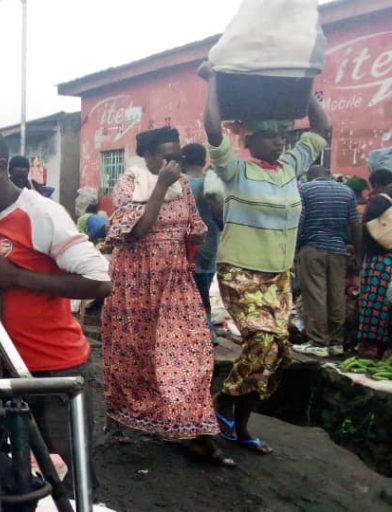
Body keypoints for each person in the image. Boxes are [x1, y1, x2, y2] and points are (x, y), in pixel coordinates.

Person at [0, 125, 112, 501]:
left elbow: (100, 282)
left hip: (55, 370)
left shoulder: (40, 213)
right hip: (7, 368)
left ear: (0, 165)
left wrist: (17, 277)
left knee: (70, 478)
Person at [201, 63, 330, 455]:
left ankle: (239, 423)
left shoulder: (290, 168)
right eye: (271, 137)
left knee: (279, 352)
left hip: (278, 276)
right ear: (252, 140)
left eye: (282, 136)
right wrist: (213, 82)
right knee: (263, 339)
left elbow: (321, 129)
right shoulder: (235, 169)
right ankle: (224, 401)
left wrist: (304, 88)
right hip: (240, 271)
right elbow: (211, 129)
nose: (280, 143)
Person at [101, 127, 233, 466]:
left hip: (175, 281)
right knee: (136, 355)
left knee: (192, 352)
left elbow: (193, 225)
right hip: (136, 284)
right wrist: (160, 186)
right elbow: (138, 229)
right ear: (147, 155)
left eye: (178, 157)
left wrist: (197, 235)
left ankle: (199, 434)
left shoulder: (184, 186)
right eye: (167, 156)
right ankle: (129, 416)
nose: (174, 163)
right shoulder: (131, 182)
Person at [293, 165, 360, 357]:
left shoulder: (305, 189)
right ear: (329, 175)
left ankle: (318, 341)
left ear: (310, 176)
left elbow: (300, 221)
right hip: (339, 250)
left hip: (313, 247)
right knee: (336, 295)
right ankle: (336, 342)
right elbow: (354, 223)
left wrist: (294, 249)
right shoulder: (347, 191)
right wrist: (357, 252)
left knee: (315, 295)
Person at [182, 142, 225, 346]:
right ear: (203, 159)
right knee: (204, 290)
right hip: (212, 243)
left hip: (189, 245)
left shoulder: (182, 184)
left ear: (184, 159)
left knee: (190, 292)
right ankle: (207, 332)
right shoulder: (213, 182)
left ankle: (201, 334)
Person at [356, 148, 392, 360]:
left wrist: (359, 255)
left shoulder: (380, 199)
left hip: (380, 259)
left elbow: (365, 226)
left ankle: (370, 345)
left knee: (374, 301)